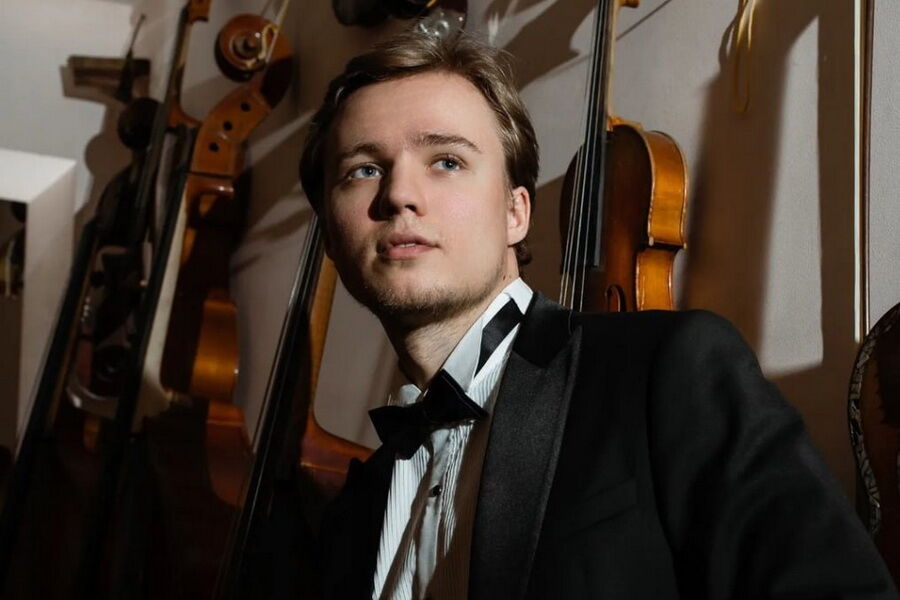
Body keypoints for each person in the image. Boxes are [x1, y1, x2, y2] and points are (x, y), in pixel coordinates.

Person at [298, 30, 897, 600]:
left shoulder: (668, 370)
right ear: (330, 233)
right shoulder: (351, 513)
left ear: (515, 213)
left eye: (447, 161)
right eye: (363, 170)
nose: (399, 194)